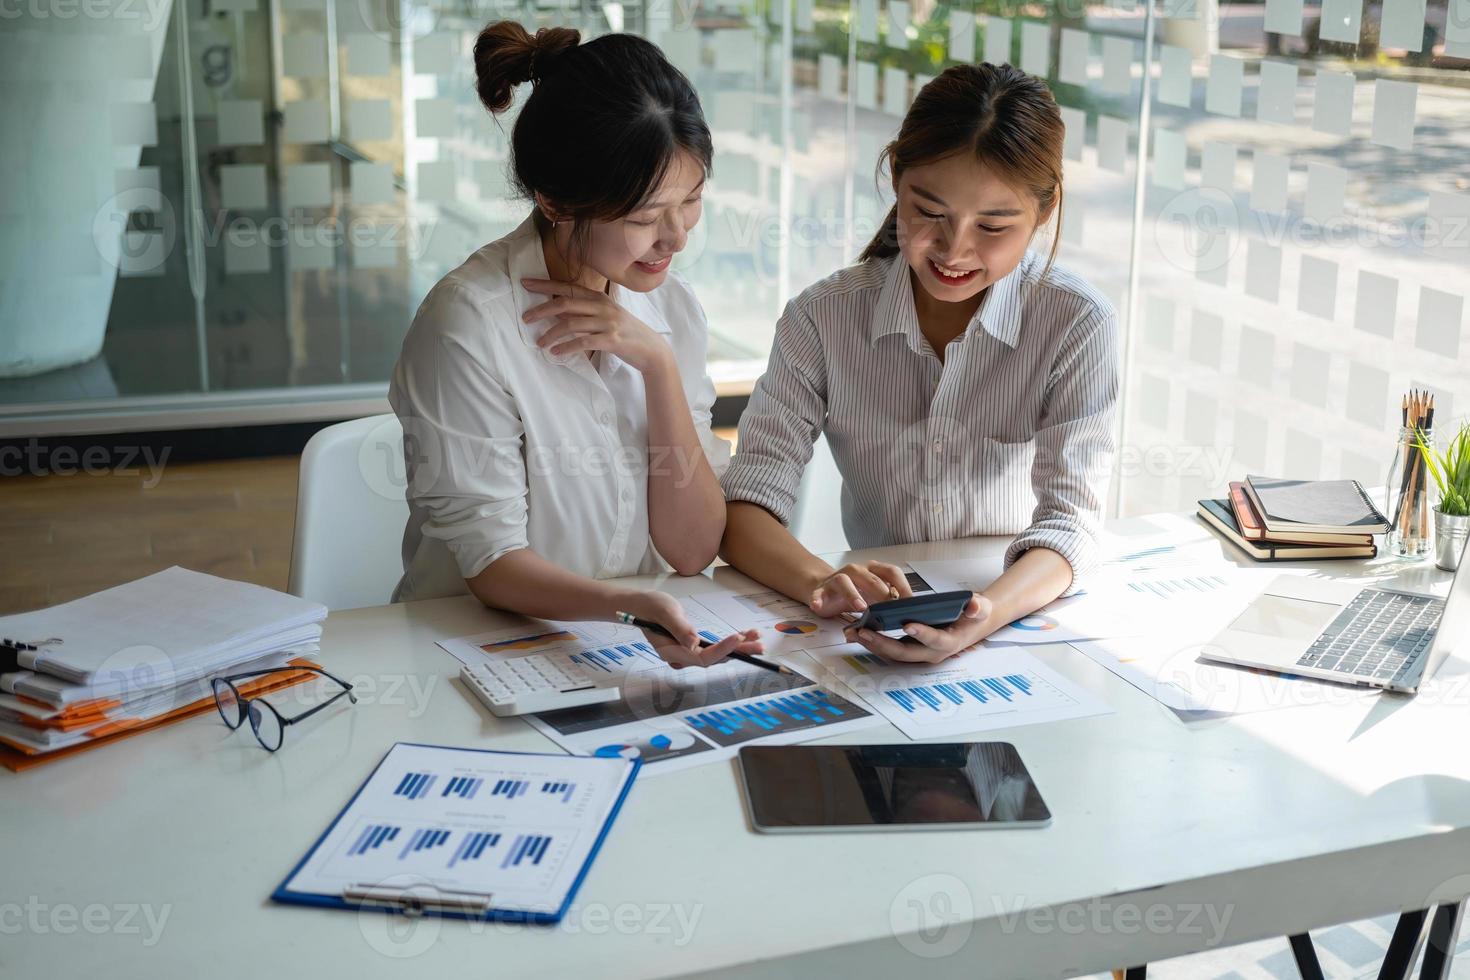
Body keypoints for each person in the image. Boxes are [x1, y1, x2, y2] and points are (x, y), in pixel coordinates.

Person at [388, 22, 760, 668]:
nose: (676, 238)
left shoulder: (669, 308)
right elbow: (492, 564)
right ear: (555, 201)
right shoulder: (468, 326)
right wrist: (624, 608)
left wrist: (658, 365)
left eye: (692, 201)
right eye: (645, 217)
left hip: (629, 650)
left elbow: (694, 547)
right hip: (474, 655)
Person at [720, 63, 1118, 665]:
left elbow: (1073, 526)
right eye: (928, 212)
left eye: (992, 226)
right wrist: (817, 581)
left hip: (1017, 621)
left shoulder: (1076, 322)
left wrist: (982, 617)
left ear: (1043, 210)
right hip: (874, 627)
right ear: (896, 180)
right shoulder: (822, 317)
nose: (955, 250)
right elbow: (745, 508)